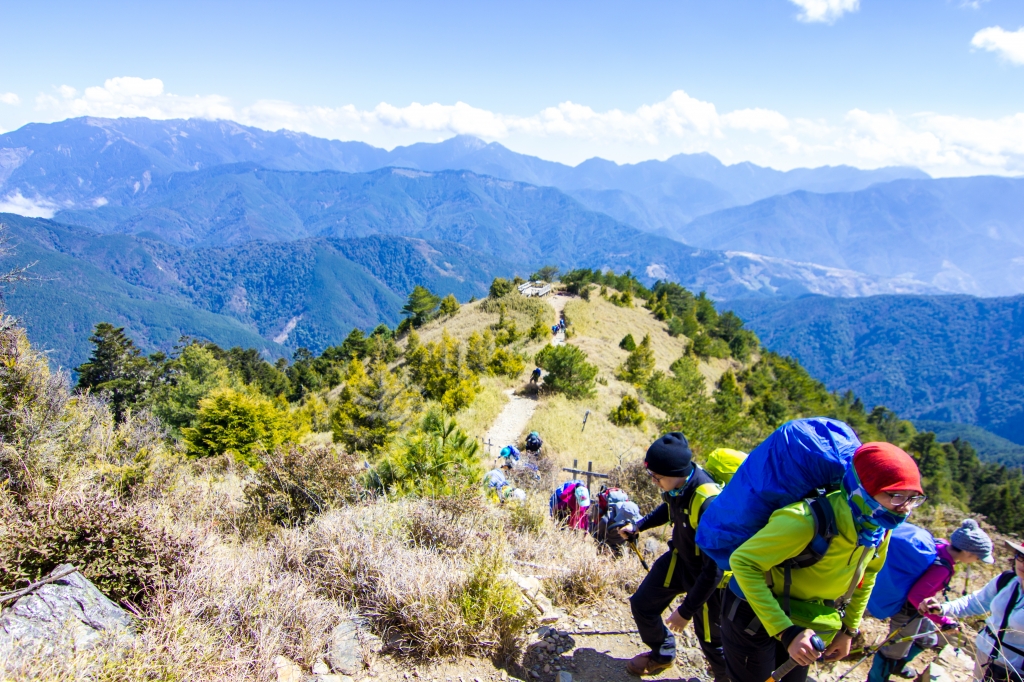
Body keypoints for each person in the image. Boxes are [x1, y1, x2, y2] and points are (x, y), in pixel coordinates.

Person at [721, 442, 925, 682]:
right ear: (863, 488)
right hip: (753, 613)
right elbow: (744, 563)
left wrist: (848, 630)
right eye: (896, 496)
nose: (905, 509)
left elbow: (867, 575)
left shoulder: (878, 529)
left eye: (913, 498)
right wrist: (786, 632)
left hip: (804, 618)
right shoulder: (806, 520)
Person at [616, 433, 728, 680]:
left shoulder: (708, 502)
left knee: (712, 643)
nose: (654, 482)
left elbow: (714, 570)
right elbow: (669, 508)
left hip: (708, 580)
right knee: (642, 605)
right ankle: (662, 655)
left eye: (657, 477)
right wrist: (639, 525)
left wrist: (686, 611)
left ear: (676, 472)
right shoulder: (677, 487)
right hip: (680, 559)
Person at [868, 519, 994, 682]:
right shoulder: (942, 568)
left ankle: (898, 666)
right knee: (893, 651)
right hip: (909, 612)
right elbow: (916, 597)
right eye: (978, 558)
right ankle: (876, 678)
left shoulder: (940, 546)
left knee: (928, 639)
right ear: (968, 553)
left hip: (919, 610)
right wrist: (943, 620)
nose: (977, 561)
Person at [921, 539, 1024, 681]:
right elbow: (975, 602)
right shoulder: (1007, 580)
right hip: (984, 652)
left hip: (1015, 667)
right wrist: (942, 608)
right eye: (1021, 556)